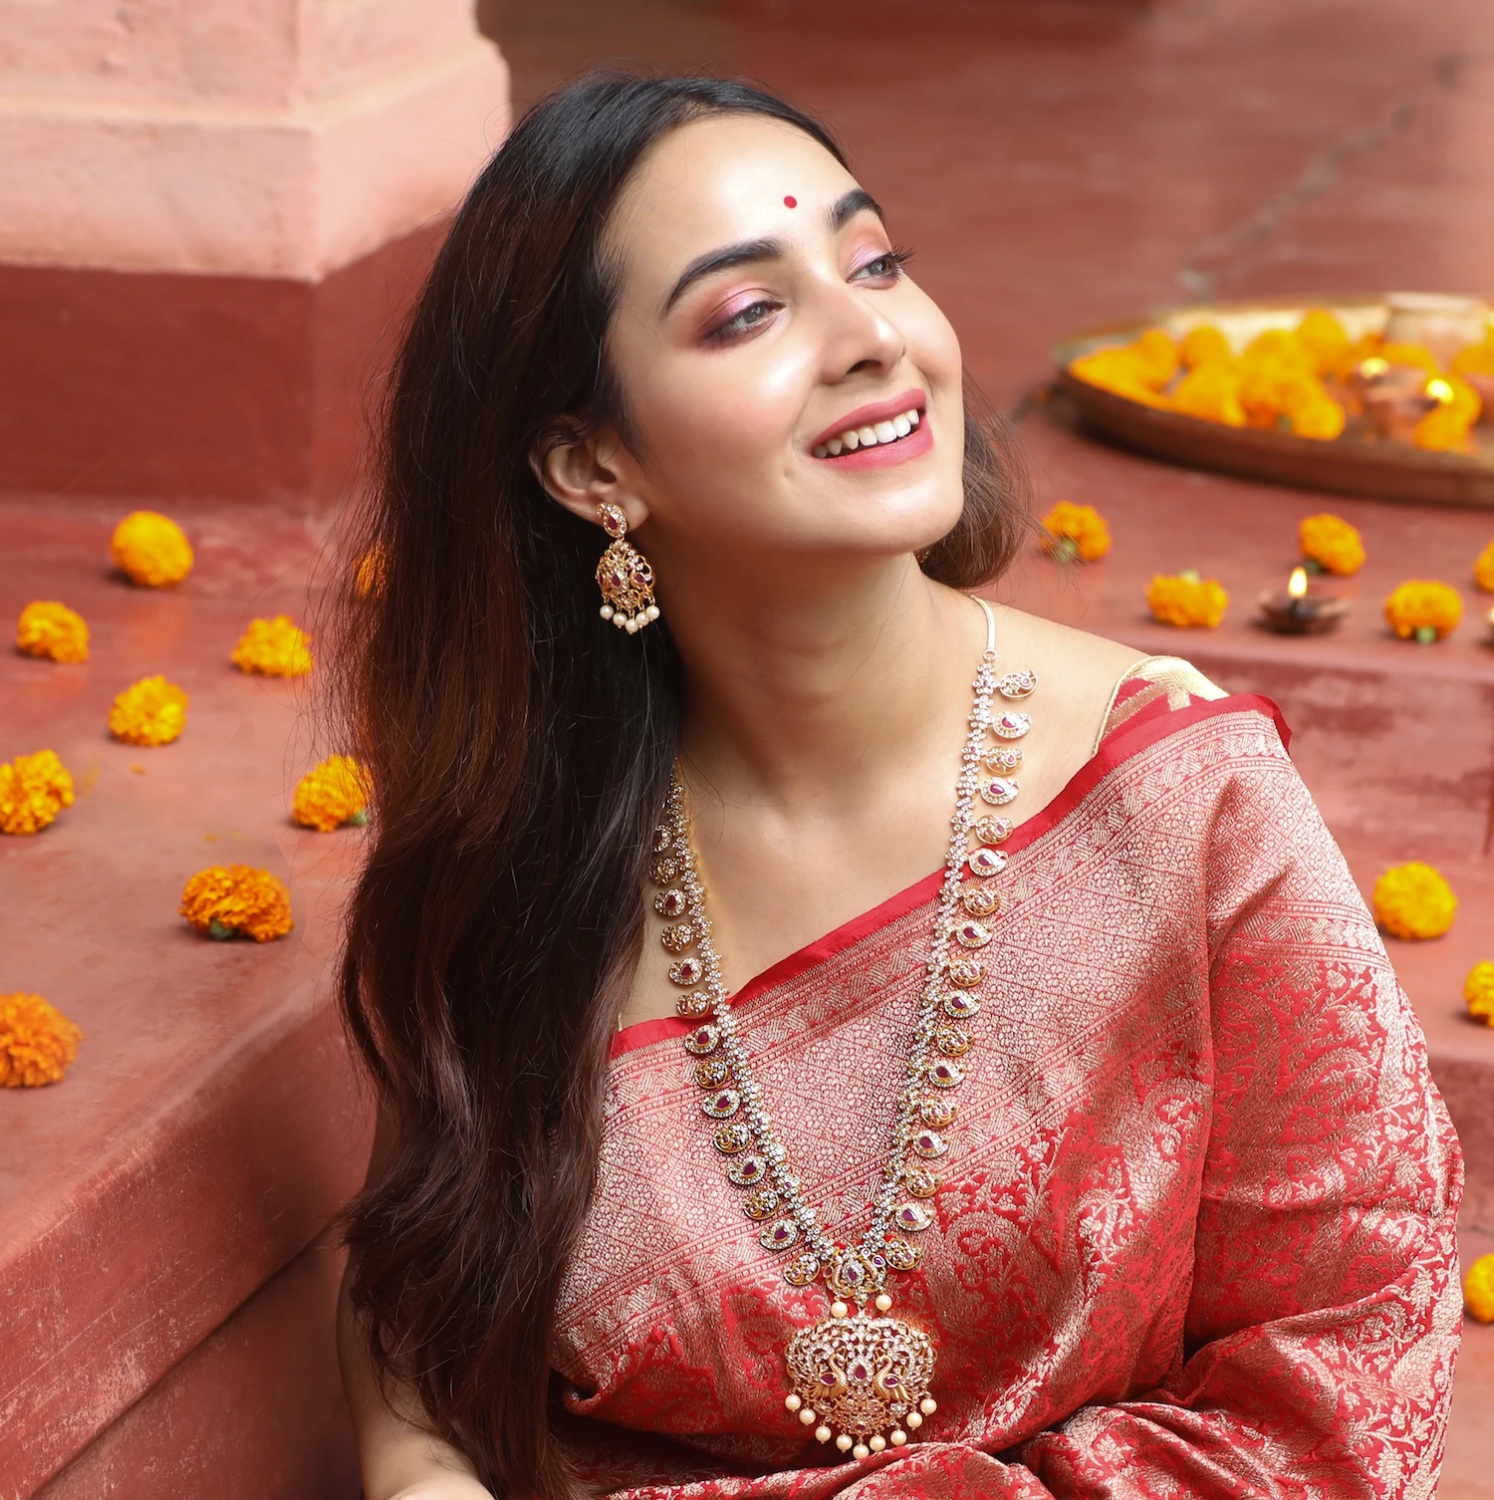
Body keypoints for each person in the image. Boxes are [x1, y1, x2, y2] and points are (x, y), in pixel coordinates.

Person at [332, 72, 1463, 1500]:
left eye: (873, 264)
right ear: (592, 466)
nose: (870, 336)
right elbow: (417, 1330)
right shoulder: (528, 857)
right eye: (749, 312)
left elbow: (1346, 1371)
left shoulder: (1175, 804)